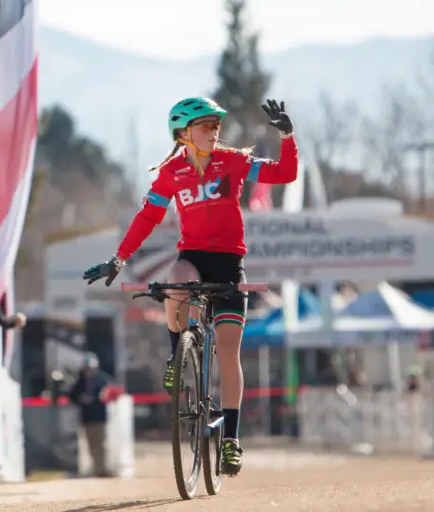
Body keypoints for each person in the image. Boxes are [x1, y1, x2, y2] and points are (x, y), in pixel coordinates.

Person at [82, 97, 298, 476]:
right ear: (184, 134)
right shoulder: (171, 174)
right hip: (193, 257)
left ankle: (230, 440)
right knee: (175, 281)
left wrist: (287, 135)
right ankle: (176, 352)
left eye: (217, 126)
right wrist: (119, 259)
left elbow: (285, 174)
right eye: (206, 126)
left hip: (230, 264)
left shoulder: (233, 162)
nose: (215, 132)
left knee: (229, 354)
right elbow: (148, 216)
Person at [68, 352, 114, 477]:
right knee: (89, 444)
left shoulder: (101, 381)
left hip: (99, 417)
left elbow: (108, 394)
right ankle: (94, 468)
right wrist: (80, 399)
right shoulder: (81, 382)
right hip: (86, 417)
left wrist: (94, 399)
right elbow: (71, 395)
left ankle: (102, 469)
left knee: (101, 444)